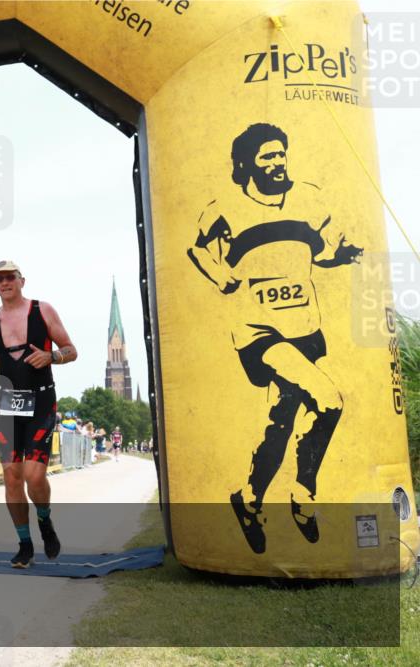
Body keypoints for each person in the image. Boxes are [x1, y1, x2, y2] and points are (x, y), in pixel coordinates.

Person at [188, 123, 362, 554]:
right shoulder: (226, 207)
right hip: (258, 332)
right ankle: (303, 497)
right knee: (329, 399)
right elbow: (198, 248)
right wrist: (220, 275)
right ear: (246, 163)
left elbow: (320, 254)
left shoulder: (309, 198)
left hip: (306, 327)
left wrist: (345, 254)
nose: (277, 162)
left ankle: (247, 500)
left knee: (279, 425)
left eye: (281, 153)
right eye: (267, 156)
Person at [0, 260, 77, 568]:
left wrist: (52, 355)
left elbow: (71, 349)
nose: (5, 282)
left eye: (10, 277)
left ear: (21, 281)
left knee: (34, 474)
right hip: (9, 404)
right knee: (12, 477)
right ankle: (25, 544)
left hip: (42, 401)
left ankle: (44, 520)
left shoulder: (43, 311)